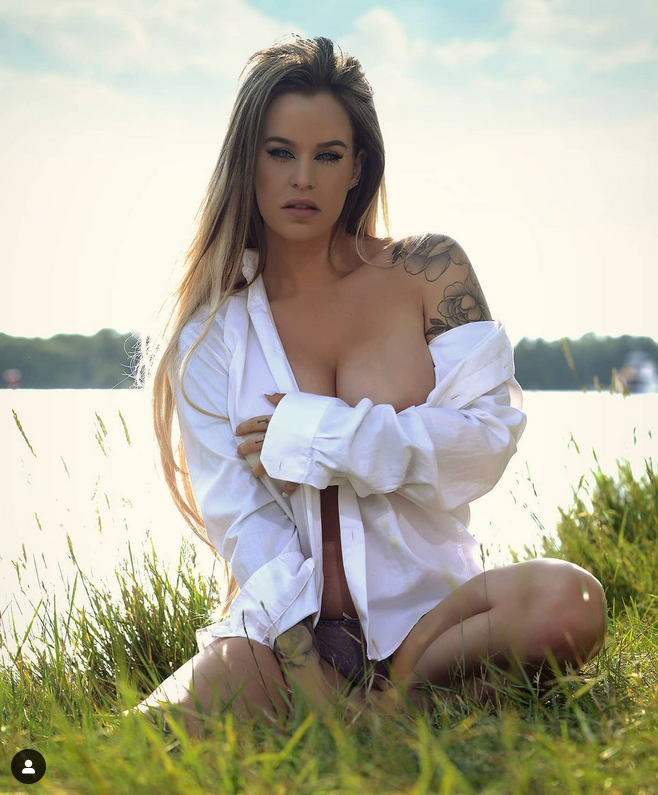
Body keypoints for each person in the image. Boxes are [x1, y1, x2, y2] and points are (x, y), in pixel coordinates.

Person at [131, 34, 608, 737]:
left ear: (358, 166)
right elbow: (244, 526)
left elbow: (487, 441)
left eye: (328, 155)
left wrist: (318, 435)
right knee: (142, 739)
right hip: (286, 642)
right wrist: (310, 675)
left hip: (434, 623)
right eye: (280, 152)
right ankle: (401, 713)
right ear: (248, 160)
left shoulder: (428, 270)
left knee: (573, 599)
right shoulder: (211, 332)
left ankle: (394, 701)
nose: (303, 178)